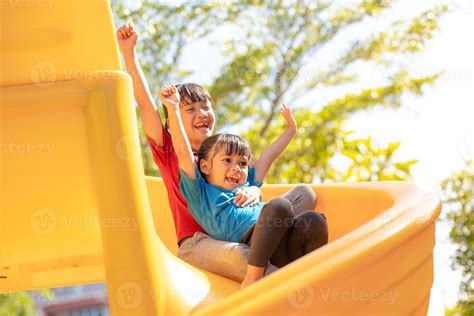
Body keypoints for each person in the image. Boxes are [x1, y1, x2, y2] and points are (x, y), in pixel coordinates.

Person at [116, 22, 319, 282]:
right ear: (174, 118)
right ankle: (287, 279)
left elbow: (257, 171)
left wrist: (254, 189)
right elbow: (145, 105)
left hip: (240, 226)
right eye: (190, 110)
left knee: (303, 195)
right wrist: (129, 53)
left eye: (205, 107)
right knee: (240, 256)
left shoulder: (222, 155)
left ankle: (286, 247)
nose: (201, 114)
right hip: (201, 242)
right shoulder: (172, 153)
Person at [159, 85, 328, 287]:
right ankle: (256, 277)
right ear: (204, 166)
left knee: (313, 218)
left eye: (242, 163)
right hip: (248, 240)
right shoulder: (199, 190)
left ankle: (310, 274)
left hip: (276, 242)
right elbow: (183, 151)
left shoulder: (246, 184)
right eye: (227, 160)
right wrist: (173, 109)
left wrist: (291, 130)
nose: (236, 168)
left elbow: (267, 156)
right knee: (279, 207)